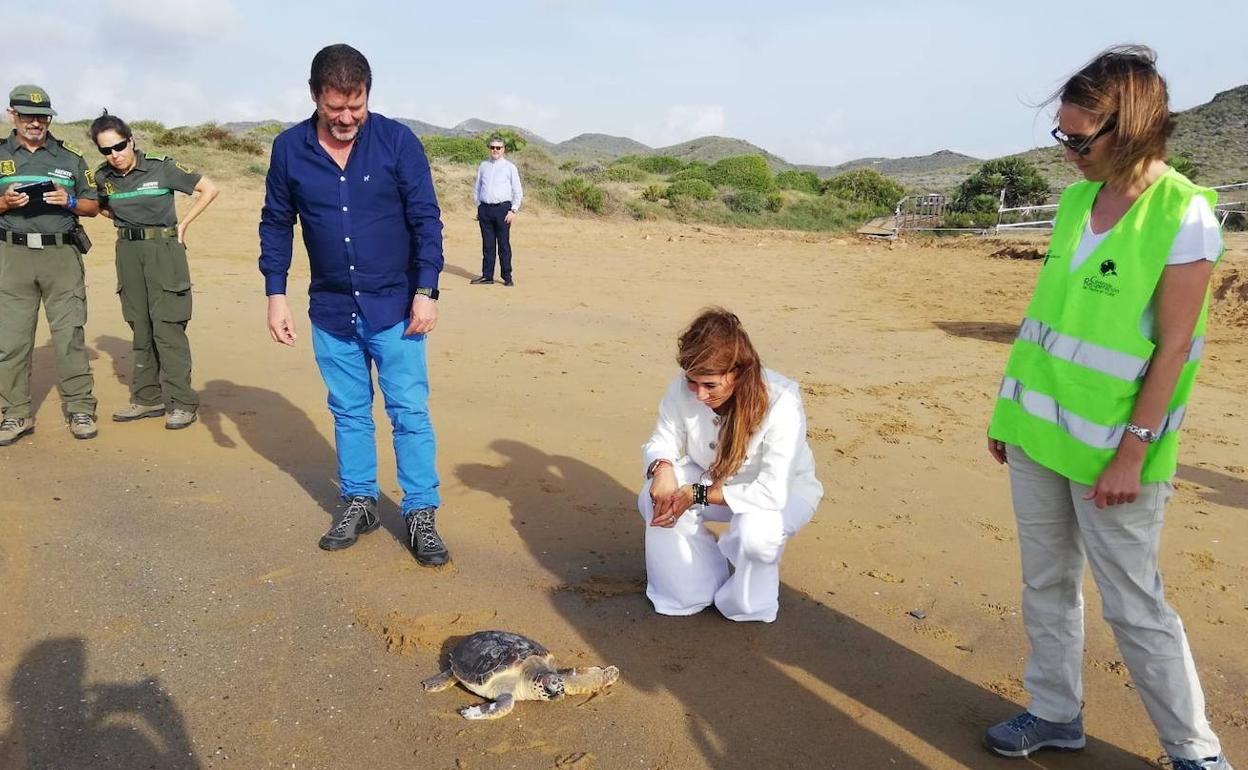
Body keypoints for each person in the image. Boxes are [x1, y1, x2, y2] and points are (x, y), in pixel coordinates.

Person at [984, 46, 1234, 770]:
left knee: (1136, 605)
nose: (1066, 152)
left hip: (1114, 455)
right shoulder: (1071, 205)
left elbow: (1177, 349)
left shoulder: (1182, 212)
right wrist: (1008, 412)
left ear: (1130, 126)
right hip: (1035, 432)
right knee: (1046, 585)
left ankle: (1194, 752)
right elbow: (1044, 322)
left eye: (1077, 138)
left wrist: (1133, 451)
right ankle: (1055, 712)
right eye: (1060, 136)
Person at [259, 44, 450, 566]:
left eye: (356, 105)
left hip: (397, 307)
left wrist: (427, 289)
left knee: (409, 411)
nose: (346, 118)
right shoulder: (289, 149)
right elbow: (277, 223)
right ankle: (361, 501)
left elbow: (426, 220)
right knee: (348, 411)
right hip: (332, 310)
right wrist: (276, 293)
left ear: (368, 94)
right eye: (335, 107)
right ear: (315, 96)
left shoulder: (397, 142)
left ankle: (419, 513)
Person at [638, 307, 823, 623]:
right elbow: (662, 439)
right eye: (692, 382)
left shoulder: (782, 401)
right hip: (712, 477)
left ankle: (746, 601)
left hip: (783, 492)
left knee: (756, 535)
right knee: (652, 497)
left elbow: (773, 492)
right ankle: (691, 586)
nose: (698, 394)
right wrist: (663, 469)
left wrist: (697, 494)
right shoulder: (683, 388)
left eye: (710, 385)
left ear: (738, 373)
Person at [91, 112, 219, 430]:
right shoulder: (103, 176)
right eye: (105, 150)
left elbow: (209, 189)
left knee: (168, 327)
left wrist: (184, 225)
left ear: (131, 140)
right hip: (128, 252)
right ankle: (148, 399)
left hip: (164, 251)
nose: (114, 155)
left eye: (119, 146)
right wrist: (126, 223)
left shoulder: (162, 167)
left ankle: (183, 403)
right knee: (140, 325)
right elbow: (100, 206)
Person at [0, 85, 100, 446]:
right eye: (27, 115)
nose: (36, 122)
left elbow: (94, 205)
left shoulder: (69, 157)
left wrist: (69, 200)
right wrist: (5, 203)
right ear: (13, 114)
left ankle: (80, 408)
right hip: (12, 257)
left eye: (42, 116)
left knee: (70, 335)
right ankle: (15, 414)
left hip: (61, 256)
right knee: (10, 341)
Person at [469, 135, 522, 287]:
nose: (495, 150)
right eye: (492, 147)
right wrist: (479, 205)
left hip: (503, 210)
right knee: (488, 245)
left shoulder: (510, 167)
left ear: (503, 149)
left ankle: (507, 276)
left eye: (498, 147)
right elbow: (477, 188)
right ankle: (487, 276)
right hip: (485, 209)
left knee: (504, 245)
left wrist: (514, 210)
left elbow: (517, 190)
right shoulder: (483, 165)